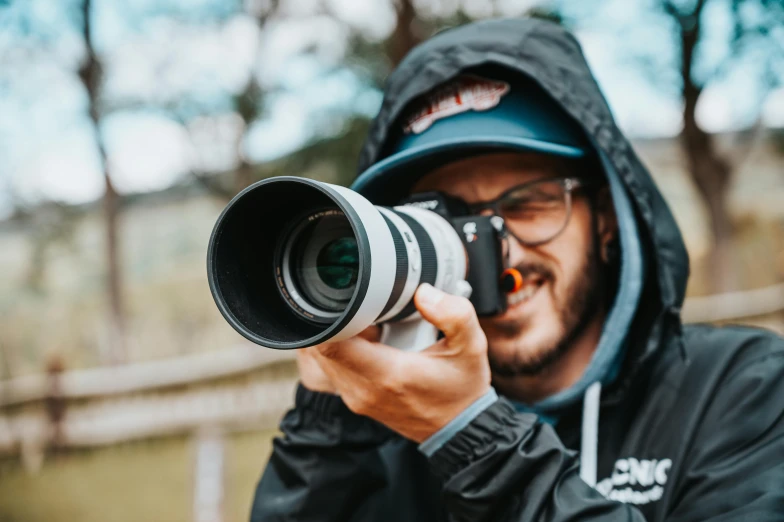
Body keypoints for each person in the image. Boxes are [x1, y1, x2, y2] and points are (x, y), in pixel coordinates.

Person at [250, 18, 784, 522]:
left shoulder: (746, 390)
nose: (496, 249)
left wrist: (470, 439)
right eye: (449, 218)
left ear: (607, 219)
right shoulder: (382, 438)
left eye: (528, 202)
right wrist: (326, 423)